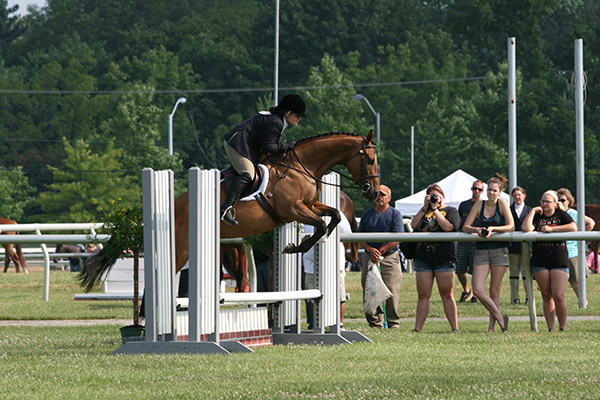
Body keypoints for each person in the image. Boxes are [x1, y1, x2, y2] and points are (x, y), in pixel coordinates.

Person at [221, 94, 306, 226]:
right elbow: (268, 146)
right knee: (248, 174)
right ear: (288, 112)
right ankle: (226, 208)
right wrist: (287, 145)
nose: (299, 119)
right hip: (237, 142)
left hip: (248, 146)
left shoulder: (279, 121)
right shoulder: (276, 122)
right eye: (297, 115)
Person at [463, 174, 514, 333]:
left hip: (500, 249)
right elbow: (466, 227)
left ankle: (492, 328)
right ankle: (500, 317)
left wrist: (493, 229)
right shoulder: (479, 205)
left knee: (494, 291)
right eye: (489, 190)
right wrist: (478, 230)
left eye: (494, 191)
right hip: (481, 250)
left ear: (499, 192)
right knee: (477, 289)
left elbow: (511, 226)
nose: (491, 193)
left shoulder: (502, 203)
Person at [522, 190, 577, 331]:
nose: (544, 204)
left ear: (554, 203)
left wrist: (551, 229)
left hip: (559, 258)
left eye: (547, 201)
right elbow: (526, 228)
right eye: (542, 201)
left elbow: (573, 227)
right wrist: (533, 211)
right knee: (546, 295)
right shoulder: (537, 215)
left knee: (558, 295)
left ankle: (562, 327)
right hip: (540, 259)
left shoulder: (561, 215)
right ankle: (550, 328)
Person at [410, 184, 460, 333]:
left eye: (436, 196)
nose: (433, 198)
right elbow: (414, 225)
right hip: (424, 258)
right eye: (431, 196)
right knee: (423, 295)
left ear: (442, 196)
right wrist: (425, 208)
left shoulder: (451, 211)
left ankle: (454, 327)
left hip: (444, 258)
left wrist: (436, 209)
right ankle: (418, 328)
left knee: (447, 294)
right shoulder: (424, 211)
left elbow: (449, 227)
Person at [359, 185, 404, 328]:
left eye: (383, 195)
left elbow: (397, 237)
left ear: (389, 197)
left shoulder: (395, 214)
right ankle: (375, 322)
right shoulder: (367, 215)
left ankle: (393, 322)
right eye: (378, 194)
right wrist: (369, 249)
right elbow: (359, 237)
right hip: (369, 257)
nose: (380, 197)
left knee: (391, 289)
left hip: (389, 257)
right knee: (370, 288)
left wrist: (381, 250)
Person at [302, 213, 352, 330]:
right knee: (313, 296)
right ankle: (318, 323)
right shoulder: (304, 213)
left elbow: (348, 235)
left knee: (339, 295)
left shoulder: (338, 214)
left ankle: (339, 324)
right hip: (311, 261)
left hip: (334, 261)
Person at [557, 188, 595, 302]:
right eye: (557, 200)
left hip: (572, 252)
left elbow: (590, 223)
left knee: (575, 282)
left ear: (569, 201)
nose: (560, 202)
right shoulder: (555, 213)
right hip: (558, 252)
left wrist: (577, 236)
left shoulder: (572, 213)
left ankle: (583, 303)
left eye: (563, 200)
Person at [456, 179, 485, 303]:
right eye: (475, 188)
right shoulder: (464, 204)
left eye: (479, 189)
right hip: (463, 240)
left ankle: (475, 293)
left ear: (483, 191)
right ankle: (466, 290)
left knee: (476, 271)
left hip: (478, 241)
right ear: (471, 189)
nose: (476, 191)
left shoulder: (485, 205)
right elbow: (459, 222)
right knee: (460, 269)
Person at [508, 186, 532, 304]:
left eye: (519, 194)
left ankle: (529, 297)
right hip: (513, 245)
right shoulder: (508, 210)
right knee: (513, 271)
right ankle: (514, 297)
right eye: (515, 195)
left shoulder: (530, 210)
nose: (517, 197)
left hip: (527, 244)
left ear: (524, 195)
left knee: (526, 271)